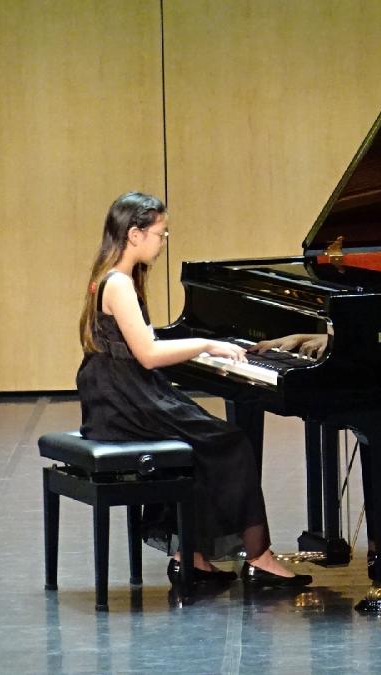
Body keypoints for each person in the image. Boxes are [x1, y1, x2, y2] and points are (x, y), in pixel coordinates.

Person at [76, 191, 310, 589]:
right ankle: (259, 557)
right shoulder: (119, 284)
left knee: (198, 444)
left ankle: (191, 555)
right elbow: (149, 354)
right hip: (125, 403)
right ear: (134, 234)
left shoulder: (109, 276)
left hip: (116, 397)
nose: (163, 242)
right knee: (229, 443)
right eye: (160, 233)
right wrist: (206, 345)